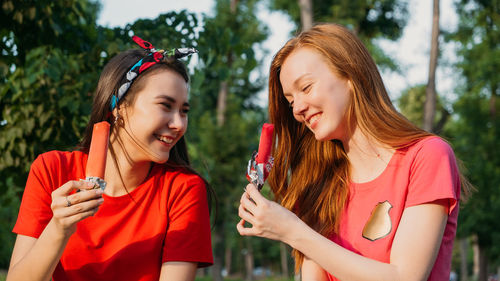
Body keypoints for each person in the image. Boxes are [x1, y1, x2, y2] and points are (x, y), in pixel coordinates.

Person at [237, 23, 472, 281]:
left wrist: (292, 231)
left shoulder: (427, 157)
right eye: (291, 101)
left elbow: (405, 276)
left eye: (306, 88)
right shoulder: (319, 185)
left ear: (350, 75)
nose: (297, 109)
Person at [7, 36, 214, 281]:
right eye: (165, 106)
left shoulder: (183, 189)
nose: (178, 124)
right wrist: (59, 229)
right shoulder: (52, 170)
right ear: (120, 107)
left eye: (184, 111)